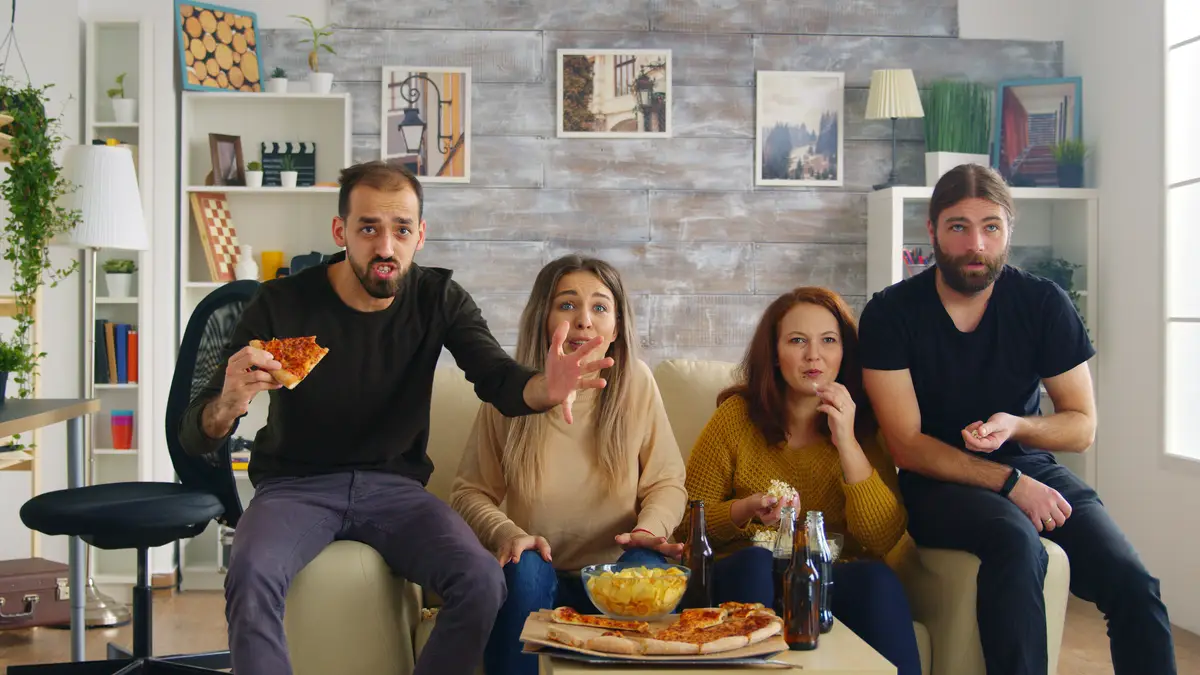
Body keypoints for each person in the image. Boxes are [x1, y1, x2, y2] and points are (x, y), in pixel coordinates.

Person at [178, 161, 615, 675]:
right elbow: (194, 433)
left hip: (396, 490)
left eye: (401, 230)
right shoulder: (280, 302)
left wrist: (547, 386)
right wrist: (227, 404)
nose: (386, 247)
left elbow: (498, 378)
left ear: (420, 236)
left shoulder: (439, 299)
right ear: (340, 231)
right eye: (369, 229)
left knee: (480, 579)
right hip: (295, 486)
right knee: (250, 572)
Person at [858, 163, 1176, 675]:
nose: (976, 245)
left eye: (991, 227)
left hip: (1031, 465)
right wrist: (1010, 483)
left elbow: (1081, 426)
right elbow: (907, 446)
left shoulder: (1043, 302)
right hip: (936, 484)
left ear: (1009, 229)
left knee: (1132, 581)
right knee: (1015, 541)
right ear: (933, 230)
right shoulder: (891, 314)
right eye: (958, 226)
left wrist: (1019, 426)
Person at [450, 255, 688, 675]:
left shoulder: (637, 385)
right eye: (567, 305)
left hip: (617, 566)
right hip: (539, 574)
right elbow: (470, 490)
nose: (584, 320)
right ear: (543, 318)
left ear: (616, 327)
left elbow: (667, 482)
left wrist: (649, 530)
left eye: (599, 307)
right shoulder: (512, 393)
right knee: (523, 572)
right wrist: (508, 533)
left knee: (649, 571)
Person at [681, 286, 922, 675]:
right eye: (797, 341)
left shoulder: (862, 426)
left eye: (828, 341)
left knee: (877, 579)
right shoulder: (735, 419)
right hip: (748, 574)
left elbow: (883, 537)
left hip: (825, 579)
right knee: (757, 563)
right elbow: (685, 525)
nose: (814, 355)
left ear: (844, 353)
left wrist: (846, 441)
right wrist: (745, 510)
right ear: (774, 354)